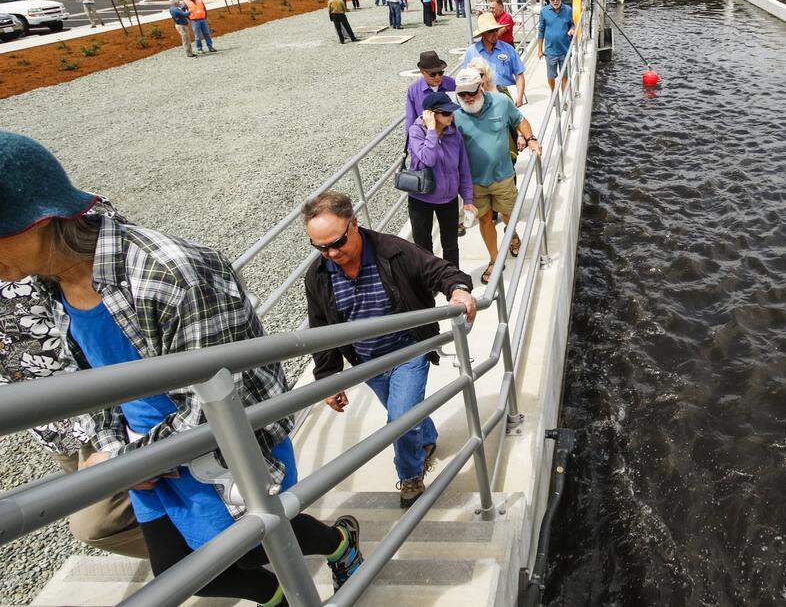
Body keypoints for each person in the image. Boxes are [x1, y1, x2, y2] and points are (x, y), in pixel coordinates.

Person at [0, 132, 365, 604]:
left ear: (39, 220)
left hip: (216, 450)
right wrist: (118, 452)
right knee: (198, 575)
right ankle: (283, 594)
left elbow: (221, 395)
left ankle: (338, 545)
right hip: (150, 460)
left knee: (255, 543)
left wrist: (137, 460)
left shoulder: (169, 273)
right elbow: (95, 386)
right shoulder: (53, 283)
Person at [301, 191, 476, 508]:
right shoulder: (318, 276)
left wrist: (459, 290)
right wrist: (329, 377)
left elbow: (438, 270)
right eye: (321, 247)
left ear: (354, 224)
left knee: (398, 420)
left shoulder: (392, 251)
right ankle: (426, 440)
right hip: (368, 362)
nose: (331, 253)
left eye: (337, 243)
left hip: (408, 350)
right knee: (405, 414)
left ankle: (410, 477)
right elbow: (321, 329)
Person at [0, 200, 148, 560]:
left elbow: (129, 277)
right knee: (139, 513)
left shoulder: (53, 211)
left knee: (98, 525)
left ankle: (235, 555)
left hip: (114, 406)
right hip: (54, 425)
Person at [452, 68, 542, 284]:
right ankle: (494, 260)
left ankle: (512, 236)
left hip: (502, 176)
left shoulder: (501, 102)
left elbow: (520, 120)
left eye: (471, 92)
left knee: (509, 213)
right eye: (462, 94)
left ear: (481, 87)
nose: (467, 98)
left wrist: (531, 139)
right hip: (474, 182)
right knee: (484, 219)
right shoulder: (454, 115)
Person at [407, 91, 477, 268]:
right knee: (423, 247)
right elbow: (428, 159)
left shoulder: (454, 134)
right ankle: (429, 283)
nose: (451, 116)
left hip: (449, 198)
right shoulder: (416, 132)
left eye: (452, 112)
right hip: (421, 199)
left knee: (451, 245)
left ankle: (453, 282)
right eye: (446, 113)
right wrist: (431, 131)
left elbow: (464, 168)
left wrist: (468, 199)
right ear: (431, 114)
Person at [464, 12, 526, 108]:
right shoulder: (471, 52)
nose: (495, 34)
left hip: (507, 99)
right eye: (490, 31)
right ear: (483, 34)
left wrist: (520, 97)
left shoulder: (508, 49)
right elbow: (466, 80)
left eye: (496, 30)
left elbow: (519, 74)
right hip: (483, 103)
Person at [405, 50, 457, 132]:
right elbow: (411, 118)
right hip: (426, 136)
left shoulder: (452, 84)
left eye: (440, 72)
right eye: (432, 74)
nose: (437, 77)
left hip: (450, 135)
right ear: (422, 72)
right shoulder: (413, 90)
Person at [537, 0, 575, 90]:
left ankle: (563, 101)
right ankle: (554, 93)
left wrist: (572, 29)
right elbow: (541, 31)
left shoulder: (568, 10)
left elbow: (572, 25)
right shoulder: (544, 12)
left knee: (565, 77)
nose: (555, 1)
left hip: (564, 50)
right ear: (549, 0)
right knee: (550, 77)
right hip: (550, 51)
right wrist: (539, 50)